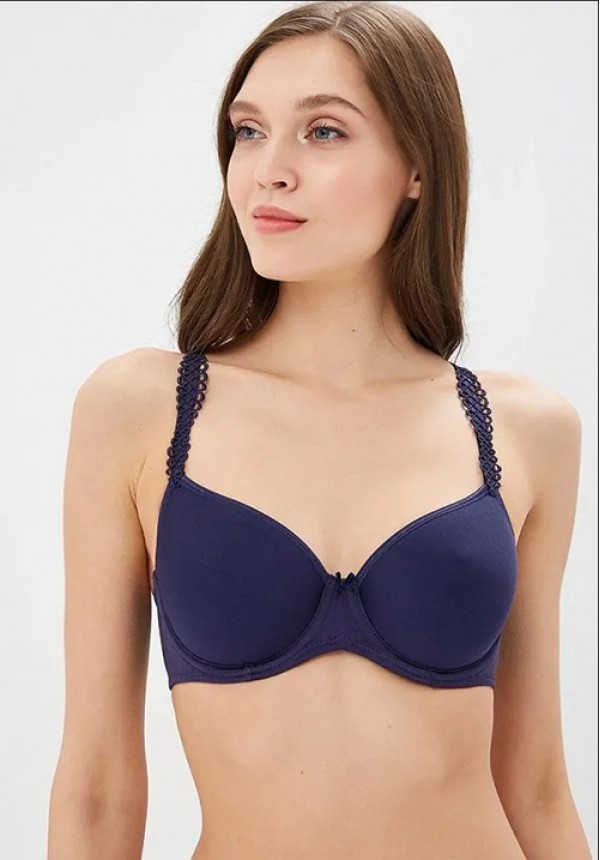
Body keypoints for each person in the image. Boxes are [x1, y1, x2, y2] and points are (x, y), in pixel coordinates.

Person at [48, 2, 591, 858]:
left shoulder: (524, 431)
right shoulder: (142, 411)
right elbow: (96, 787)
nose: (269, 171)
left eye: (324, 132)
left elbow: (538, 786)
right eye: (249, 131)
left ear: (418, 167)